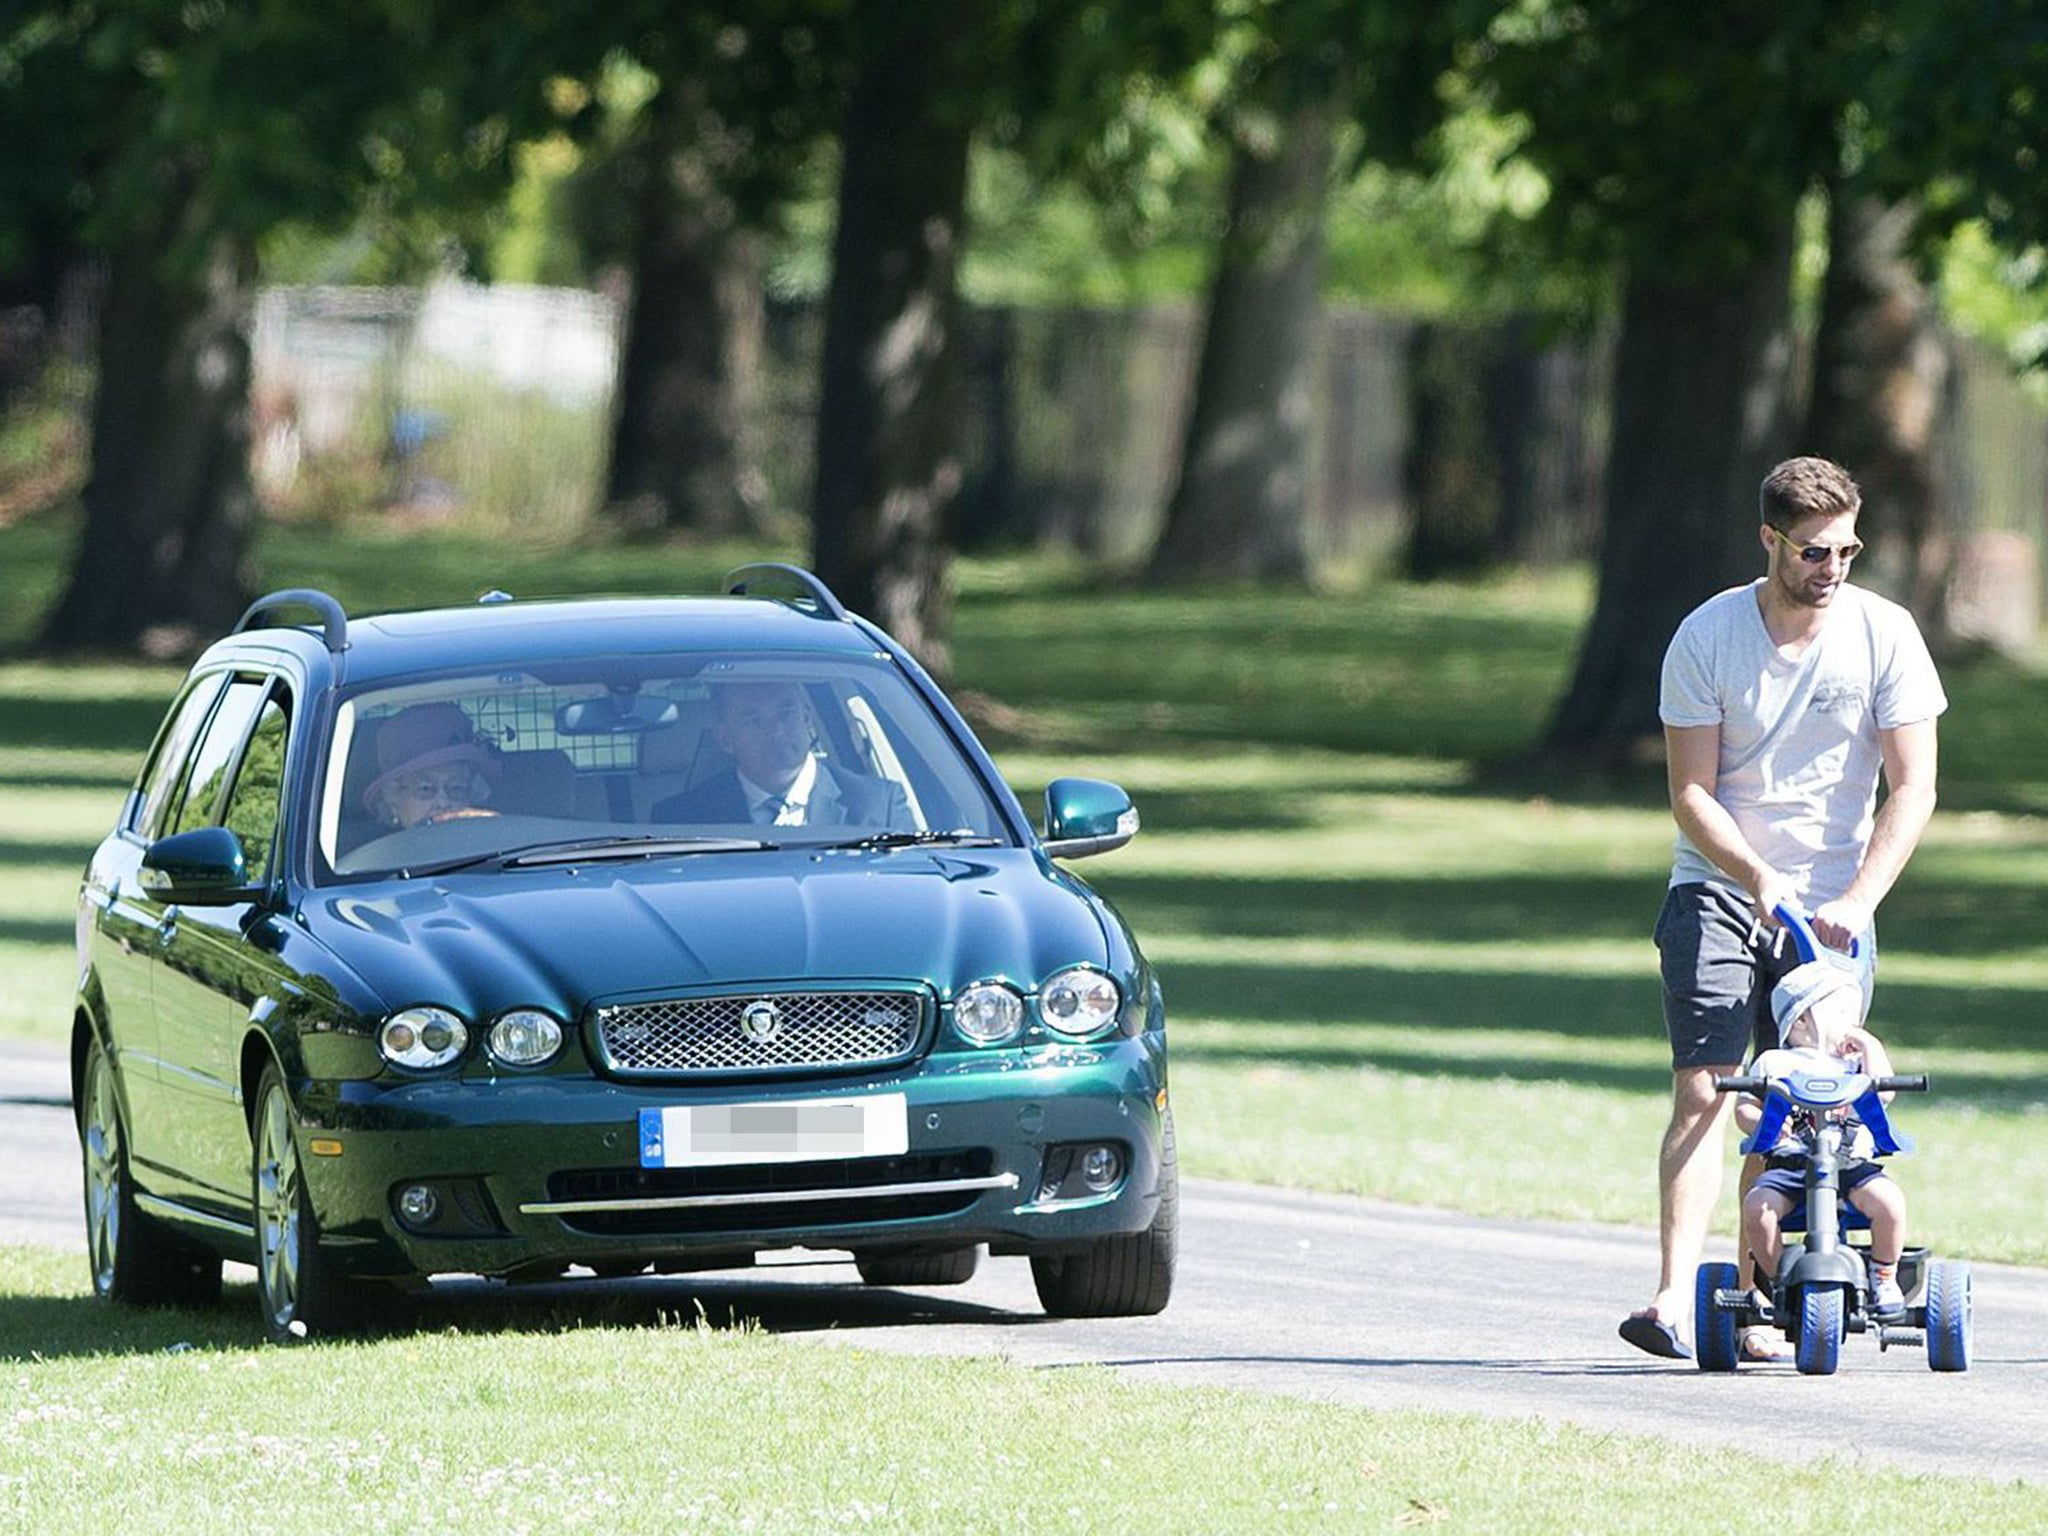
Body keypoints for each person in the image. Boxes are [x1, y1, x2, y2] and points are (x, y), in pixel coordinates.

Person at [1619, 456, 1945, 1361]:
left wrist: (1856, 899)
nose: (1832, 568)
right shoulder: (1708, 637)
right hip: (1720, 888)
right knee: (1705, 1087)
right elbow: (1692, 795)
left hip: (1836, 905)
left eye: (1846, 549)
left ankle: (1759, 1303)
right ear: (1770, 540)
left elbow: (1913, 786)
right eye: (1812, 552)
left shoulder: (1886, 634)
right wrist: (1758, 874)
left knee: (1799, 1094)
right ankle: (1672, 1300)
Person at [1737, 954, 1910, 1327]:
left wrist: (1869, 1046)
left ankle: (1883, 1275)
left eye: (1856, 1016)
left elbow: (1884, 1093)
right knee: (1757, 1207)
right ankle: (1781, 1279)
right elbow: (1745, 1107)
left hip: (1849, 1167)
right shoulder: (1775, 1063)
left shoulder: (1853, 1066)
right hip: (1792, 1166)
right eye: (1843, 1013)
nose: (1853, 1023)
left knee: (1891, 1203)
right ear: (1801, 1019)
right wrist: (1760, 1123)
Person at [650, 681, 907, 828]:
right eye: (753, 719)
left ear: (807, 719)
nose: (776, 730)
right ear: (726, 739)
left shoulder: (878, 805)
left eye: (786, 712)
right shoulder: (681, 819)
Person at [361, 702, 500, 829]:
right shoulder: (379, 856)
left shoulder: (496, 844)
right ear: (393, 803)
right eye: (425, 788)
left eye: (456, 788)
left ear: (471, 795)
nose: (443, 803)